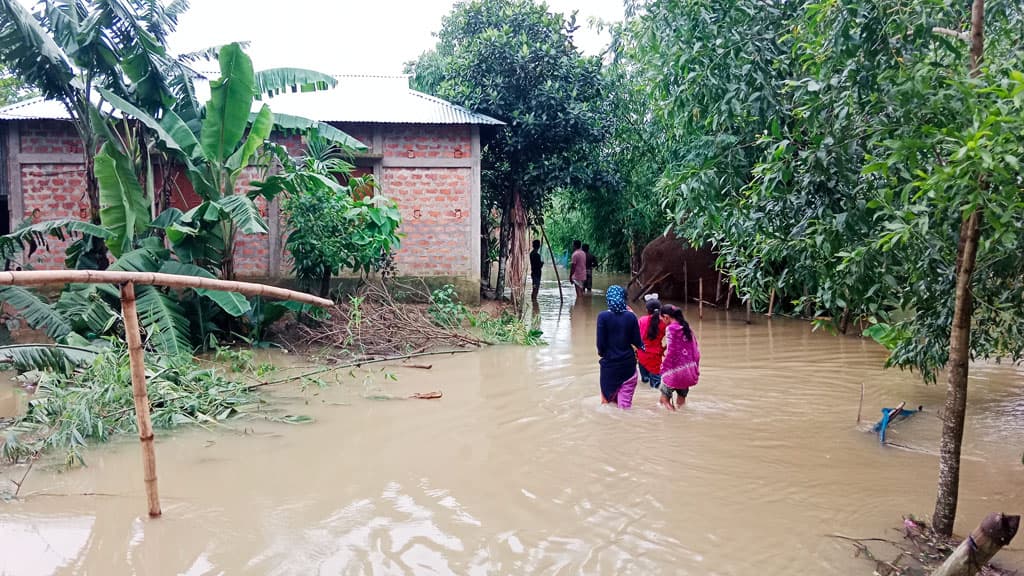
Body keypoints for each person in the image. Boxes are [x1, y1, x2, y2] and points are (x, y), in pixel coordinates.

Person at [596, 285, 644, 408]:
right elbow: (637, 341)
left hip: (610, 367)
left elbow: (600, 344)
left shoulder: (602, 317)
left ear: (608, 299)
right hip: (628, 366)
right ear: (623, 298)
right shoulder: (631, 316)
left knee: (607, 402)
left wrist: (603, 354)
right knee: (625, 407)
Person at [658, 304, 701, 411]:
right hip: (687, 371)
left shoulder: (670, 329)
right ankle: (681, 415)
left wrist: (664, 367)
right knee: (681, 400)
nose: (662, 321)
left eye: (662, 319)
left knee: (664, 399)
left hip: (675, 372)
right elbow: (696, 352)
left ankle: (673, 417)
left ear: (666, 317)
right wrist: (694, 369)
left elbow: (672, 352)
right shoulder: (687, 328)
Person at [637, 295, 667, 389]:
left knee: (645, 381)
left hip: (642, 355)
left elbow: (635, 338)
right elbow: (672, 340)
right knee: (655, 387)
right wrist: (663, 349)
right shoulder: (664, 323)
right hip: (655, 357)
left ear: (647, 310)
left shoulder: (641, 320)